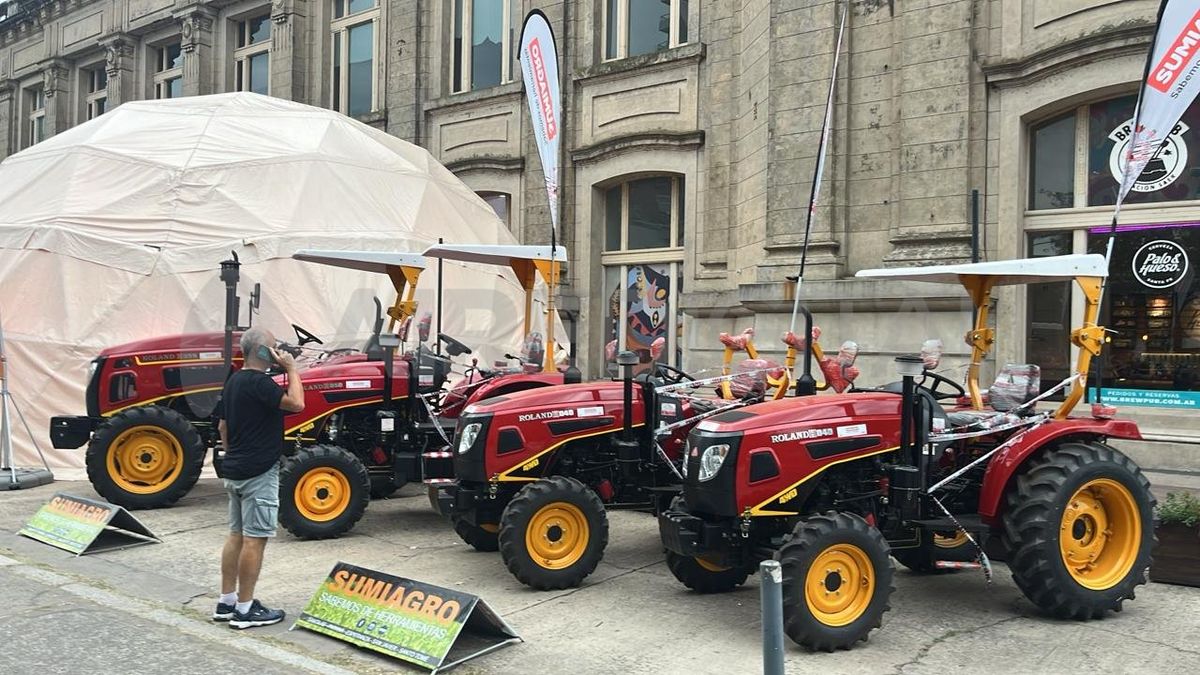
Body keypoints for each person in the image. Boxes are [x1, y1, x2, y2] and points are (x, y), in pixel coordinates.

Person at [211, 327, 304, 629]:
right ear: (264, 352)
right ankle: (245, 610)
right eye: (275, 347)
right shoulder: (260, 383)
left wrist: (235, 454)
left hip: (235, 469)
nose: (278, 351)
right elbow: (297, 404)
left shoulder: (234, 381)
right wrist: (291, 368)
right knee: (255, 539)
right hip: (259, 471)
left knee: (236, 535)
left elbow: (223, 428)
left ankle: (226, 602)